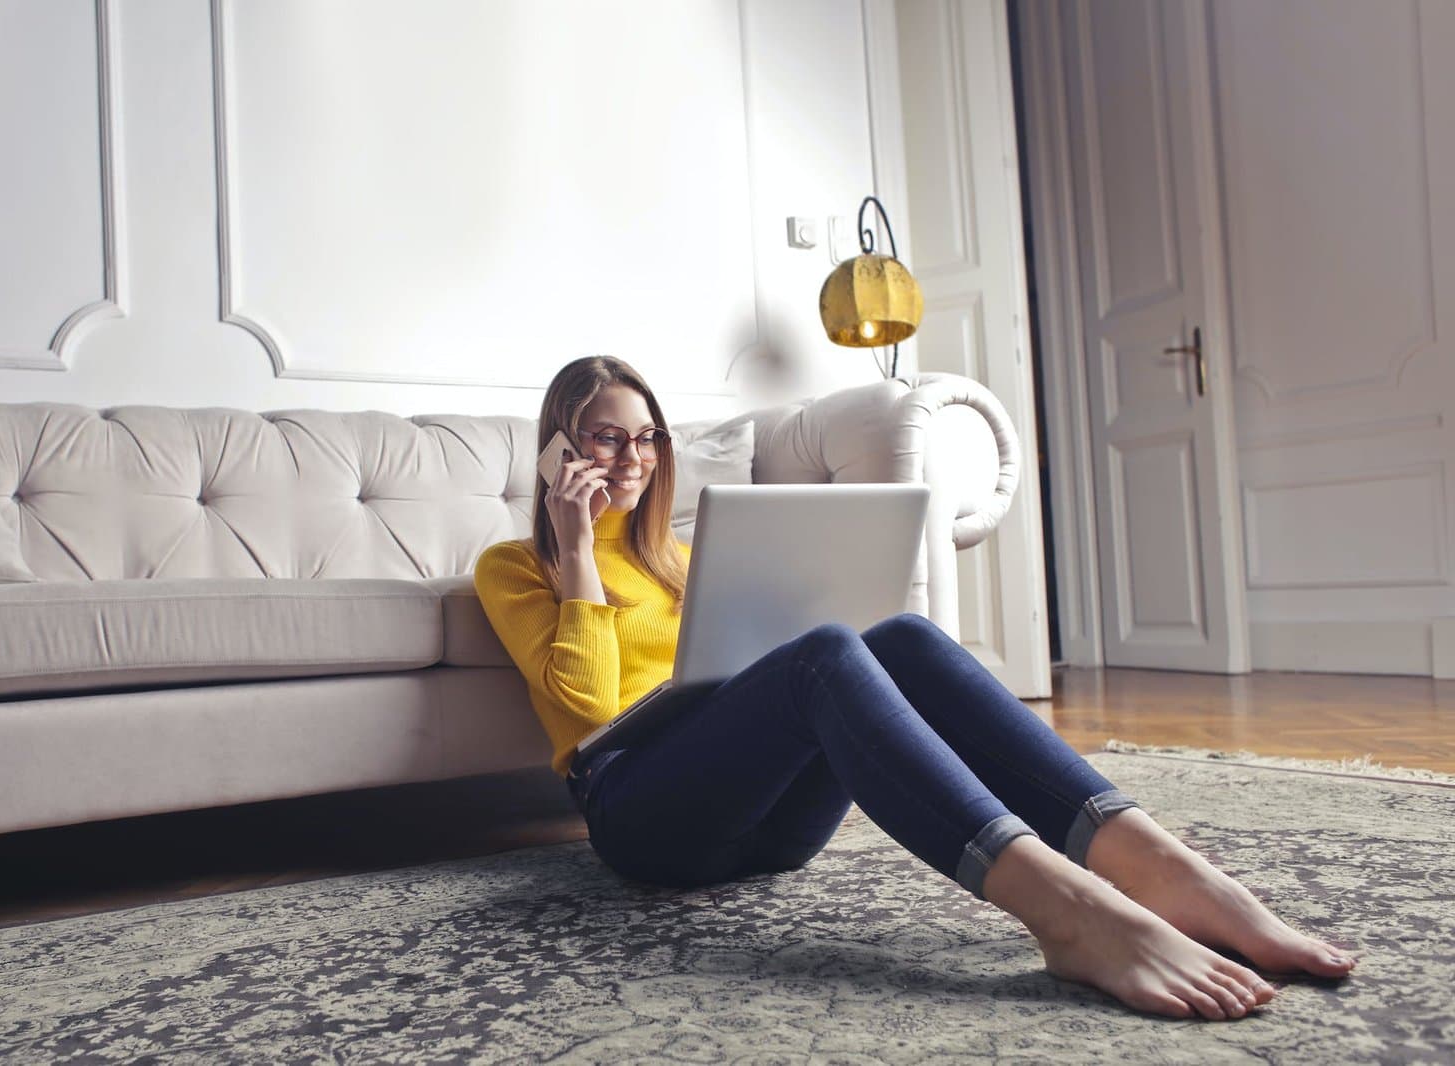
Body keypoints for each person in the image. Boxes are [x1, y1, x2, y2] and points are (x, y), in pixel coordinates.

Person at [474, 355, 1356, 1021]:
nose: (632, 455)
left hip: (768, 831)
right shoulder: (515, 568)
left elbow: (754, 683)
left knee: (898, 636)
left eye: (647, 436)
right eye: (605, 436)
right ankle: (1070, 910)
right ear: (560, 447)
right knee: (823, 651)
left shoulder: (687, 561)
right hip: (643, 819)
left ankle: (1157, 866)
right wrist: (578, 548)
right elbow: (587, 708)